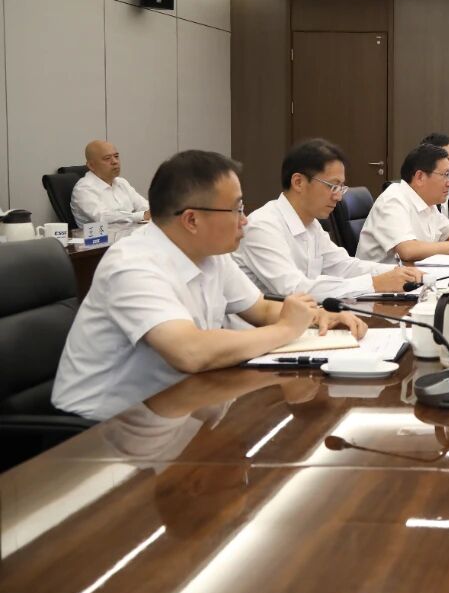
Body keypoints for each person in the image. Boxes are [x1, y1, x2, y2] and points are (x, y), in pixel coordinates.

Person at [52, 150, 367, 421]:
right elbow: (190, 351)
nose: (245, 220)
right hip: (99, 430)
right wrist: (287, 329)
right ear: (191, 220)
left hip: (176, 407)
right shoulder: (133, 265)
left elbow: (260, 309)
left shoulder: (211, 254)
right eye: (236, 209)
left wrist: (317, 317)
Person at [233, 139, 424, 300]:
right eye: (332, 186)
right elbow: (294, 290)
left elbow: (344, 266)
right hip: (264, 328)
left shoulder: (311, 224)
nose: (338, 197)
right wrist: (374, 283)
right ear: (298, 182)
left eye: (341, 188)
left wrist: (396, 273)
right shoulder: (263, 226)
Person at [356, 144, 449, 264]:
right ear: (420, 177)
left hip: (414, 274)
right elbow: (407, 250)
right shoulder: (393, 199)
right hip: (380, 280)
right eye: (446, 175)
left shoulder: (427, 201)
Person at [70, 139, 150, 225]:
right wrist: (141, 216)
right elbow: (102, 217)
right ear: (91, 166)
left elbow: (144, 206)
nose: (115, 161)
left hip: (131, 231)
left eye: (116, 156)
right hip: (102, 233)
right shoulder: (83, 189)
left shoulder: (121, 182)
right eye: (107, 158)